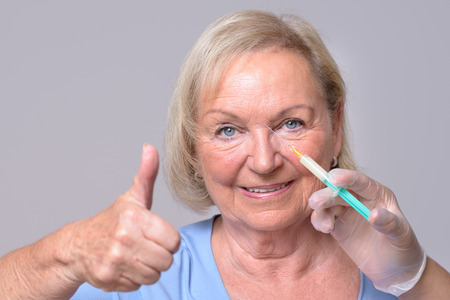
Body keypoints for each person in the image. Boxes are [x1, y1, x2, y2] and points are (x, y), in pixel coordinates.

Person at [1, 10, 449, 299]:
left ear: (334, 126)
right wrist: (69, 251)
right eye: (228, 129)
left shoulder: (392, 270)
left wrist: (416, 280)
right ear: (194, 147)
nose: (263, 160)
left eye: (291, 123)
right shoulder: (141, 279)